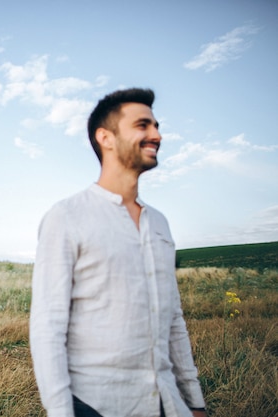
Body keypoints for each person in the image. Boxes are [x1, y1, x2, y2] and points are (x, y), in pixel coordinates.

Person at [29, 88, 207, 417]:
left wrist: (193, 400)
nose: (157, 134)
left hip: (168, 403)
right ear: (105, 137)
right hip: (98, 406)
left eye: (156, 125)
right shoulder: (67, 216)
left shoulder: (160, 224)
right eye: (143, 125)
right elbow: (47, 327)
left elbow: (173, 321)